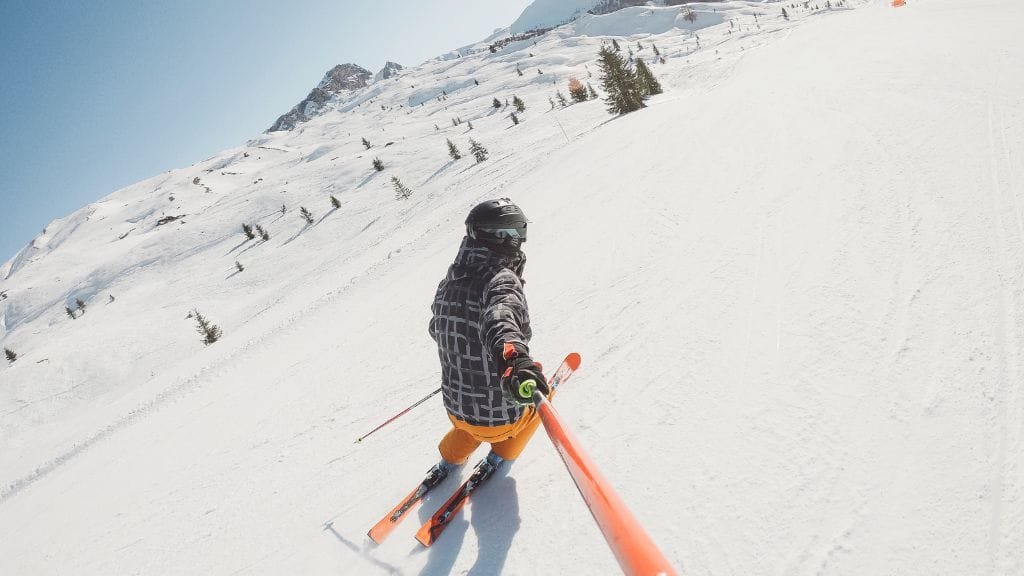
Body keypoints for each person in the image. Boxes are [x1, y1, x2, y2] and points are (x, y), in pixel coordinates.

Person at [424, 198, 550, 486]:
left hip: (455, 410)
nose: (521, 241)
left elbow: (437, 328)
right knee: (542, 393)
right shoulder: (502, 280)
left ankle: (451, 455)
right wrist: (514, 360)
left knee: (470, 424)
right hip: (499, 421)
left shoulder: (450, 281)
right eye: (518, 233)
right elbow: (500, 318)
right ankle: (503, 451)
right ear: (502, 237)